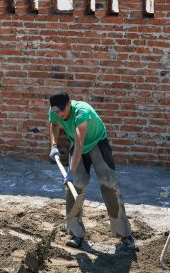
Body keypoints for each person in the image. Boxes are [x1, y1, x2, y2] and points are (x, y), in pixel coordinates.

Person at [48, 92, 135, 251]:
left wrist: (70, 172)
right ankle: (76, 234)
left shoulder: (82, 111)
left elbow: (80, 144)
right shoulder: (54, 111)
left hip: (97, 143)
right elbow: (54, 125)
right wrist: (53, 145)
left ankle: (124, 234)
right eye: (56, 111)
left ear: (69, 103)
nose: (60, 114)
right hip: (78, 144)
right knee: (74, 187)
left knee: (109, 185)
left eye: (62, 110)